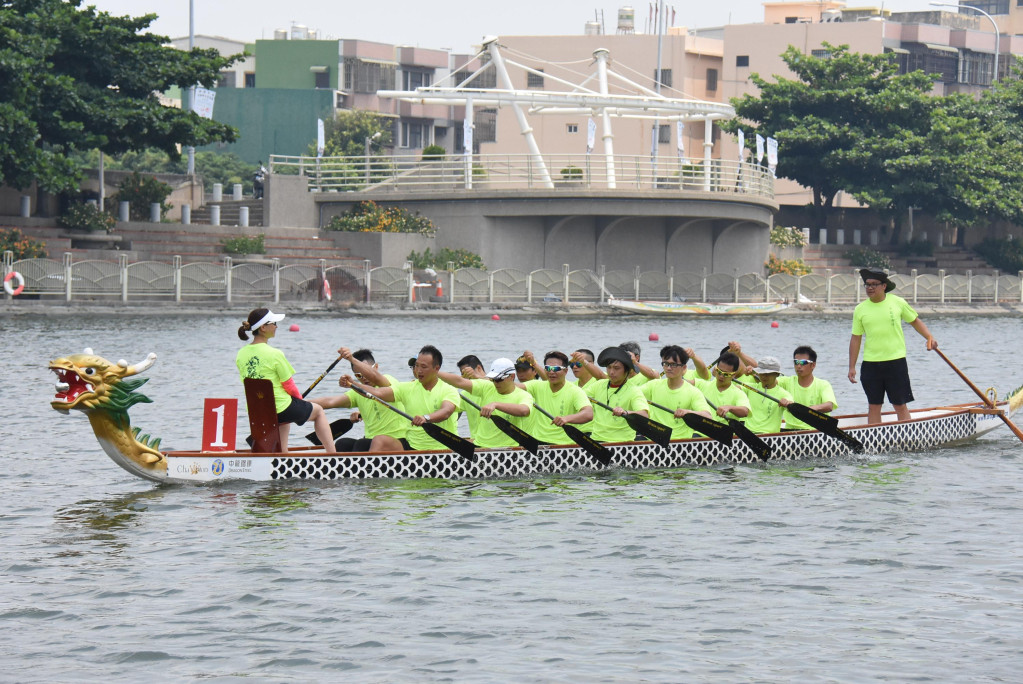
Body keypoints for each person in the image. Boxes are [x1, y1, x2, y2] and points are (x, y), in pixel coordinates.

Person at [235, 308, 336, 453]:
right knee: (318, 411)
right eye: (274, 323)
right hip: (280, 406)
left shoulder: (241, 354)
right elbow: (289, 385)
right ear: (263, 328)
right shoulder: (275, 354)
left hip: (257, 409)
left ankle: (283, 455)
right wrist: (300, 401)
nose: (276, 326)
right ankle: (333, 455)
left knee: (284, 422)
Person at [848, 268, 938, 423]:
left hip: (895, 362)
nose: (870, 288)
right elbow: (856, 339)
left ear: (884, 286)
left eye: (874, 284)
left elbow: (915, 321)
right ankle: (874, 440)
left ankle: (908, 438)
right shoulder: (860, 309)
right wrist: (851, 367)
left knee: (899, 404)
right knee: (874, 405)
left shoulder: (897, 302)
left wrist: (929, 337)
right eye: (867, 285)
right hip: (871, 364)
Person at [342, 345, 459, 452]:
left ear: (437, 369)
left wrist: (426, 418)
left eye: (424, 367)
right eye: (416, 366)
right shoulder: (406, 388)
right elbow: (376, 393)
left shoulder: (449, 390)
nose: (418, 371)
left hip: (442, 450)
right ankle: (366, 472)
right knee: (378, 440)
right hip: (411, 447)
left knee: (373, 441)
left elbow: (446, 412)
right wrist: (352, 383)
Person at [316, 348, 407, 451]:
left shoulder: (388, 381)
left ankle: (364, 467)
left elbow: (375, 383)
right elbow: (330, 402)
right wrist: (298, 402)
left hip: (399, 441)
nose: (363, 377)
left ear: (376, 367)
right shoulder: (357, 391)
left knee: (363, 444)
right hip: (371, 442)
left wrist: (351, 359)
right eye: (358, 375)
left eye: (366, 372)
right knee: (342, 444)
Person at [438, 357, 535, 448]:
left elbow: (524, 410)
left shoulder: (524, 395)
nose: (496, 383)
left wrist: (496, 405)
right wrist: (433, 373)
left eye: (499, 379)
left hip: (507, 450)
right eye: (493, 379)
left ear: (512, 376)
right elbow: (459, 382)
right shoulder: (487, 387)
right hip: (480, 447)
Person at [520, 350, 593, 444]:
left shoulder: (575, 391)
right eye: (548, 368)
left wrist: (566, 418)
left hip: (563, 446)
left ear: (566, 371)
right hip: (538, 443)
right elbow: (511, 387)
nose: (551, 372)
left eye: (556, 369)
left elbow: (588, 414)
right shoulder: (537, 386)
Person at [640, 345, 713, 439]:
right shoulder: (653, 385)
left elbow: (707, 416)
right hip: (654, 441)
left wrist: (688, 412)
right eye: (666, 364)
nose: (669, 368)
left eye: (674, 365)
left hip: (680, 443)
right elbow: (632, 394)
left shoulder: (693, 391)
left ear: (684, 367)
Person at [584, 346, 651, 443]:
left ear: (626, 370)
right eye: (609, 367)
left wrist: (626, 412)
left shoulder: (633, 390)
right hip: (596, 440)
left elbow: (644, 415)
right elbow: (579, 396)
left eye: (616, 368)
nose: (611, 372)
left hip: (622, 443)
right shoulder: (599, 385)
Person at [776, 345, 838, 431]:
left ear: (813, 365)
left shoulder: (823, 385)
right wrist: (752, 371)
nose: (798, 366)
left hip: (815, 431)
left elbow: (829, 406)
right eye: (796, 362)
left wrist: (805, 410)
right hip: (790, 431)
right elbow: (767, 379)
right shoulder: (786, 382)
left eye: (803, 362)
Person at [738, 356, 793, 434]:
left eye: (768, 374)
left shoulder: (783, 394)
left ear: (777, 374)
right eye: (762, 373)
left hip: (770, 437)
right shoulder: (750, 388)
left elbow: (791, 404)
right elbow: (730, 388)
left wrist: (788, 404)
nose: (764, 376)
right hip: (749, 434)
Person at [694, 352, 750, 425]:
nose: (721, 376)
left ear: (734, 375)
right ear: (715, 369)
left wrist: (729, 408)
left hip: (724, 433)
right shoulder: (702, 384)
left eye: (726, 374)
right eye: (719, 372)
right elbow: (681, 382)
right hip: (701, 433)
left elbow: (745, 411)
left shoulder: (738, 393)